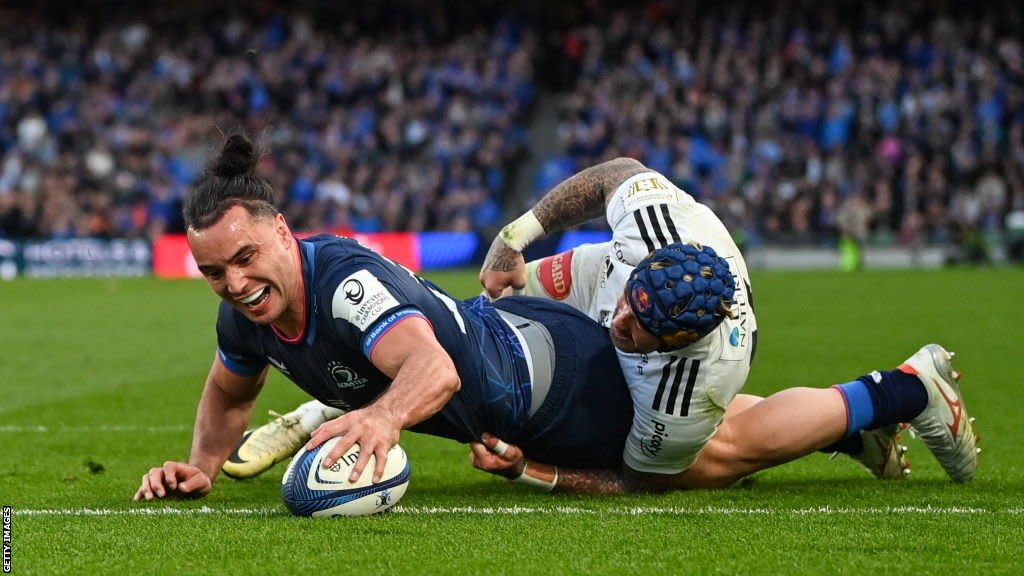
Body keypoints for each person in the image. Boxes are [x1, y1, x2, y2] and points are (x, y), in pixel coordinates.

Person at [227, 158, 979, 494]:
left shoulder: (688, 383)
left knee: (724, 457)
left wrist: (539, 471)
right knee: (487, 318)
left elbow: (637, 480)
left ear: (672, 344)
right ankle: (339, 395)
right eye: (626, 309)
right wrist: (517, 236)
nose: (618, 325)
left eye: (637, 330)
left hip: (692, 381)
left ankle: (899, 394)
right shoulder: (652, 231)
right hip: (626, 264)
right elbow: (614, 171)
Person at [133, 135, 637, 501]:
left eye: (246, 258)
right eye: (214, 272)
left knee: (665, 470)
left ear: (283, 232)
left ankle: (330, 406)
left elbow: (436, 371)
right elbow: (228, 393)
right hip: (503, 347)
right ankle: (331, 403)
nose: (236, 285)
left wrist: (383, 417)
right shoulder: (242, 317)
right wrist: (200, 468)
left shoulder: (344, 285)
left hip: (560, 383)